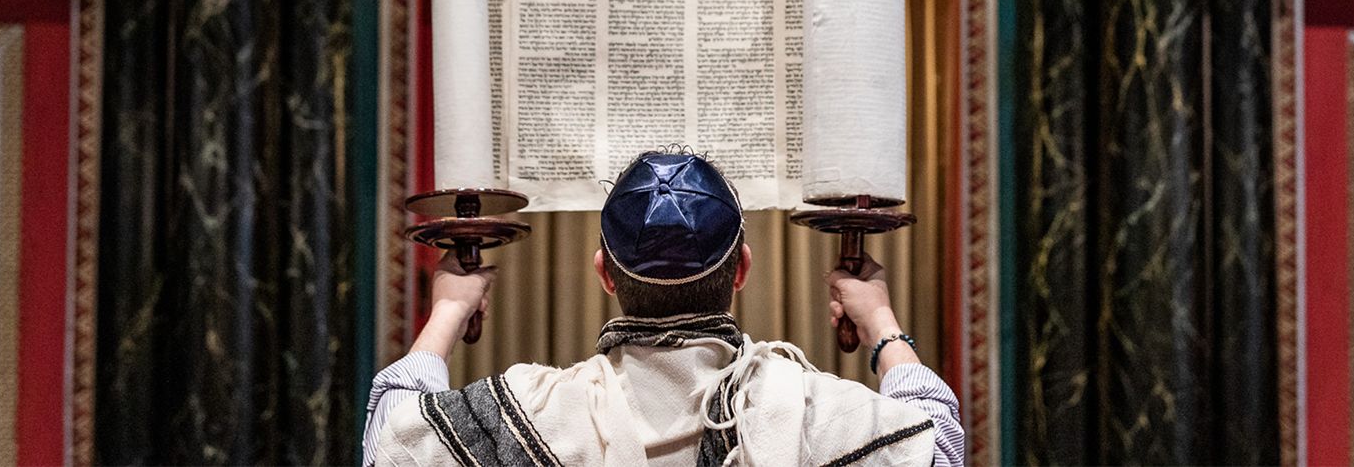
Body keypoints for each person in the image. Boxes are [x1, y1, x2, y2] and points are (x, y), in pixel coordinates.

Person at [363, 152, 965, 466]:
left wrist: (445, 315)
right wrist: (882, 326)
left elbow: (389, 445)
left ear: (603, 273)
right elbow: (939, 447)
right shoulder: (809, 412)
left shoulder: (539, 414)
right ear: (743, 272)